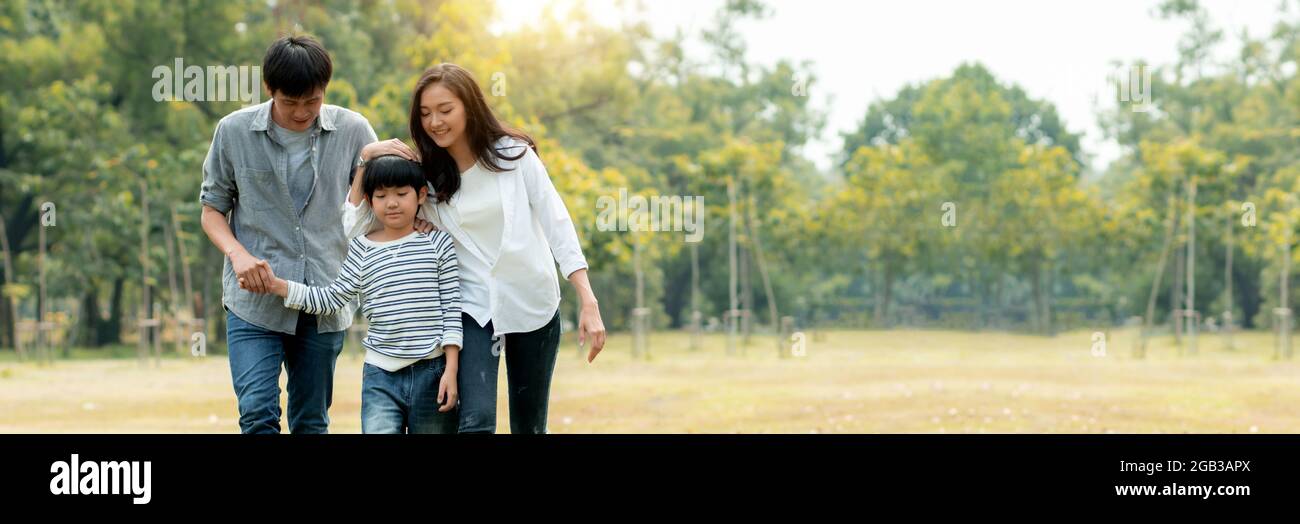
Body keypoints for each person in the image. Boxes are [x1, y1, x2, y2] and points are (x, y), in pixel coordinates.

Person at [346, 63, 607, 434]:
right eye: (425, 114)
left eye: (445, 110)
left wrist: (588, 299)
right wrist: (365, 158)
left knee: (529, 426)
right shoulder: (426, 176)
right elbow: (357, 228)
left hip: (532, 302)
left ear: (470, 106)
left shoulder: (514, 156)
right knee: (475, 421)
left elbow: (557, 223)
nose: (435, 121)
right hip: (473, 306)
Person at [199, 35, 377, 433]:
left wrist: (376, 163)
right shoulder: (233, 132)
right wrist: (237, 254)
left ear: (324, 91)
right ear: (270, 90)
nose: (302, 112)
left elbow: (373, 204)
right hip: (254, 303)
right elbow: (212, 210)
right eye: (290, 102)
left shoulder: (354, 131)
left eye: (312, 101)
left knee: (310, 421)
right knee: (258, 414)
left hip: (324, 301)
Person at [242, 155, 462, 434]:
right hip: (380, 375)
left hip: (433, 370)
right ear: (370, 202)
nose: (391, 203)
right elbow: (333, 299)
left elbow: (452, 307)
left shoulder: (437, 242)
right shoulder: (361, 248)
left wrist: (451, 369)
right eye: (381, 195)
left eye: (401, 194)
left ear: (420, 195)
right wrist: (278, 286)